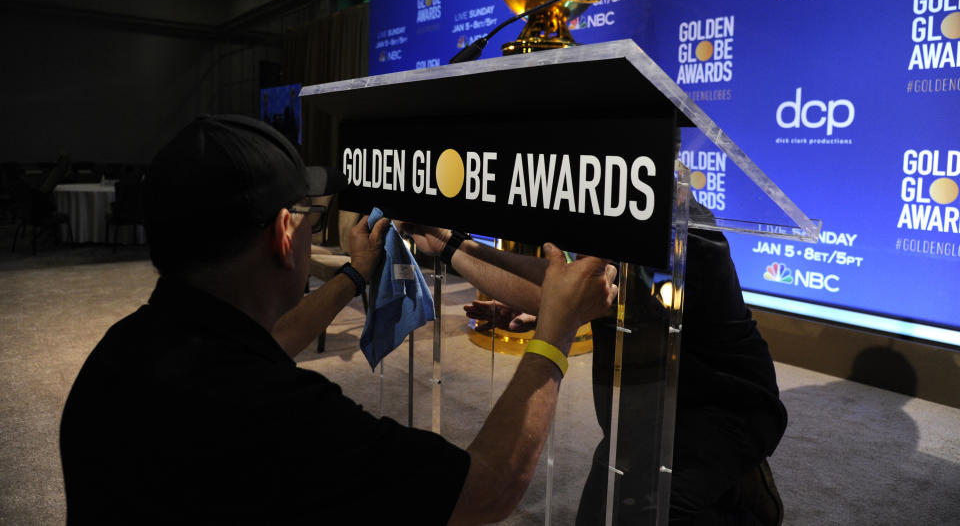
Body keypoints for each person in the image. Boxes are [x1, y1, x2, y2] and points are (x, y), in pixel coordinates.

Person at [59, 114, 618, 525]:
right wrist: (554, 334)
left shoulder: (122, 352)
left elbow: (272, 342)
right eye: (308, 215)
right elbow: (487, 489)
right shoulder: (280, 413)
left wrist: (355, 273)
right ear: (284, 233)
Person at [400, 203, 786, 526]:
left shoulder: (673, 220)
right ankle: (737, 491)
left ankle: (743, 491)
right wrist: (549, 313)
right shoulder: (607, 207)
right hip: (640, 405)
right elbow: (610, 294)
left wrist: (448, 244)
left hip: (720, 408)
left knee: (645, 512)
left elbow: (562, 285)